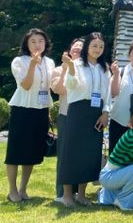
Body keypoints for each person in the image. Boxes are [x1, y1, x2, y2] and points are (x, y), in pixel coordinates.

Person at [59, 32, 111, 207]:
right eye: (94, 45)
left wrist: (106, 112)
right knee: (72, 151)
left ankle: (81, 194)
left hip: (97, 113)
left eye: (101, 46)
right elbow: (71, 86)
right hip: (78, 109)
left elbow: (107, 94)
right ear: (87, 46)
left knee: (90, 153)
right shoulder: (76, 64)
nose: (97, 49)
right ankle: (67, 194)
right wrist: (71, 68)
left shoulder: (104, 68)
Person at [5, 29, 56, 203]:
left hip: (40, 110)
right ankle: (12, 190)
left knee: (32, 151)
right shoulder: (19, 61)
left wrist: (47, 111)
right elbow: (25, 85)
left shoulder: (49, 62)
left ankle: (23, 189)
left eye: (40, 41)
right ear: (27, 44)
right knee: (15, 151)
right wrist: (33, 65)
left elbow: (47, 88)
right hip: (22, 110)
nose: (37, 45)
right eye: (33, 41)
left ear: (45, 43)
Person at [50, 37, 83, 200]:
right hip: (66, 115)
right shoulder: (57, 69)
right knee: (64, 153)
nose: (77, 48)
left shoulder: (87, 69)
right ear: (69, 50)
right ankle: (62, 192)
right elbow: (59, 90)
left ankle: (77, 191)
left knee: (80, 153)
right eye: (75, 46)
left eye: (81, 47)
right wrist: (65, 68)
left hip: (83, 116)